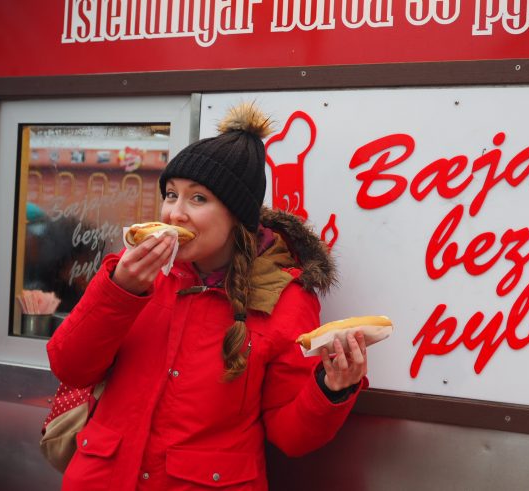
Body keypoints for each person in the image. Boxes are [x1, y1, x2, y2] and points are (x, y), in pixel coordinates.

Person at [47, 103, 368, 490]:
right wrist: (119, 292)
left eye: (197, 199)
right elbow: (70, 366)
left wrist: (332, 389)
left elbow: (291, 436)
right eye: (170, 195)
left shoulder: (285, 298)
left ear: (237, 216)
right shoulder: (133, 274)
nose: (174, 214)